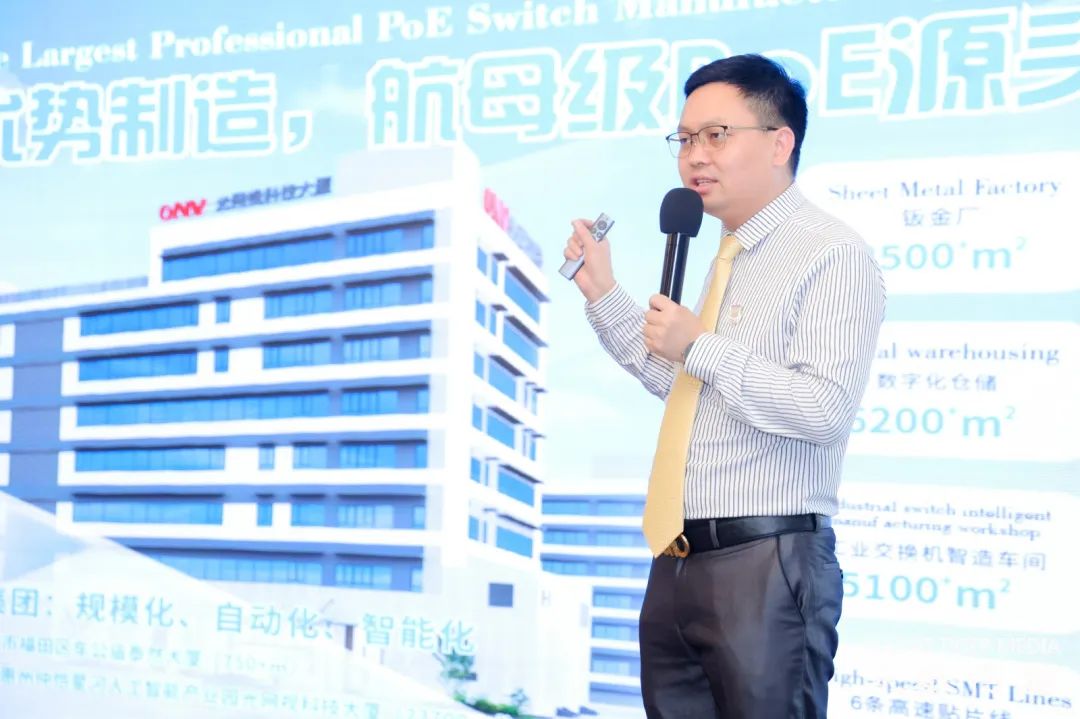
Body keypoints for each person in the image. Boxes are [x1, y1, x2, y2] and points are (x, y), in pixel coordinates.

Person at [562, 54, 886, 718]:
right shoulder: (727, 256)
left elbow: (823, 408)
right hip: (678, 559)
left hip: (766, 563)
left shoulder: (831, 253)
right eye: (684, 139)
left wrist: (698, 345)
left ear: (780, 143)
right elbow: (686, 386)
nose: (694, 156)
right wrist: (602, 291)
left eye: (716, 135)